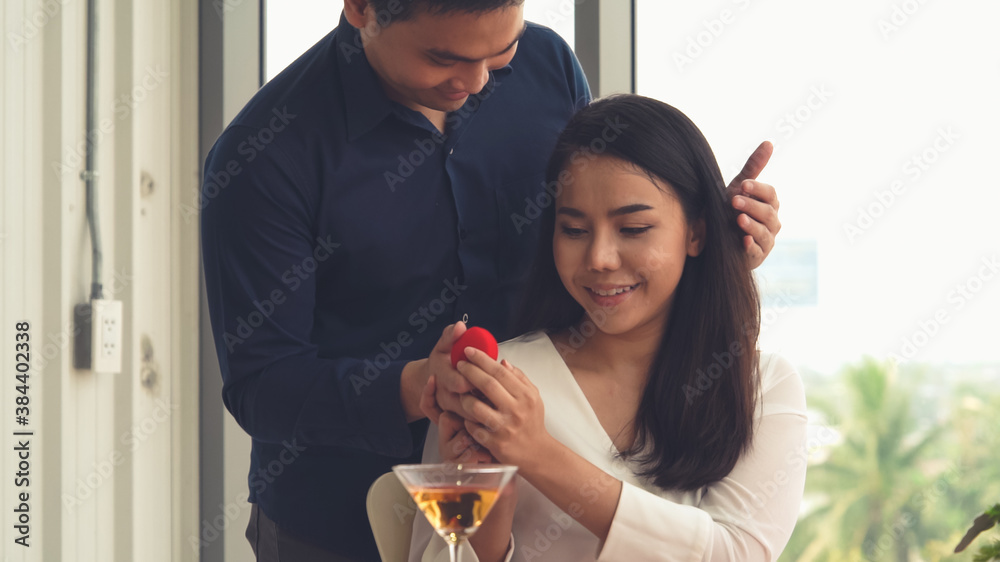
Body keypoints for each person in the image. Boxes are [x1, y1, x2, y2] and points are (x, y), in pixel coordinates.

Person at [200, 0, 782, 559]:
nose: (477, 82)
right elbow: (262, 383)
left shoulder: (545, 68)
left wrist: (695, 248)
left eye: (500, 51)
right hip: (336, 519)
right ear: (362, 8)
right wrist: (417, 385)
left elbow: (594, 225)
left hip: (544, 502)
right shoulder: (264, 157)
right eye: (443, 58)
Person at [412, 95, 807, 562]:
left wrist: (539, 454)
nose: (599, 258)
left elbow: (734, 553)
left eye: (634, 229)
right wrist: (490, 502)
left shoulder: (762, 386)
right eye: (575, 230)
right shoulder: (496, 383)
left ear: (697, 233)